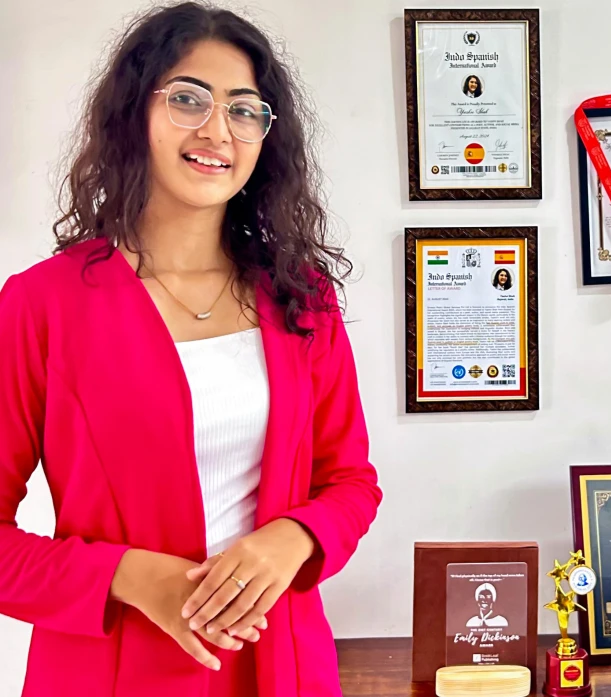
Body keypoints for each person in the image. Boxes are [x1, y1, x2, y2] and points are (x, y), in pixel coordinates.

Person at [0, 3, 382, 696]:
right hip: (109, 670)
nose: (217, 130)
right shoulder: (41, 305)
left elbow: (351, 481)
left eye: (244, 110)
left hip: (282, 666)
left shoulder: (301, 297)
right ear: (134, 113)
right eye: (187, 99)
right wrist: (128, 575)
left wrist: (294, 538)